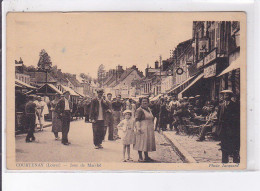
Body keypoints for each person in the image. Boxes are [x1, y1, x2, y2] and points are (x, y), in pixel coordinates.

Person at [217, 90, 240, 163]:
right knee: (224, 145)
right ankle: (224, 161)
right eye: (224, 95)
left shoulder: (235, 105)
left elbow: (237, 116)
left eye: (227, 95)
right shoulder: (221, 105)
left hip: (232, 128)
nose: (225, 96)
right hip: (223, 128)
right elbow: (218, 116)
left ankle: (236, 160)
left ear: (230, 96)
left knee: (234, 144)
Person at [134, 97, 156, 162]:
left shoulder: (148, 109)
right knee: (141, 142)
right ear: (140, 102)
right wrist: (138, 128)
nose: (145, 102)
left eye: (146, 101)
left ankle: (146, 157)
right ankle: (140, 157)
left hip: (149, 128)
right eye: (143, 101)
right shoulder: (139, 110)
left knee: (146, 143)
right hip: (142, 127)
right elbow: (137, 120)